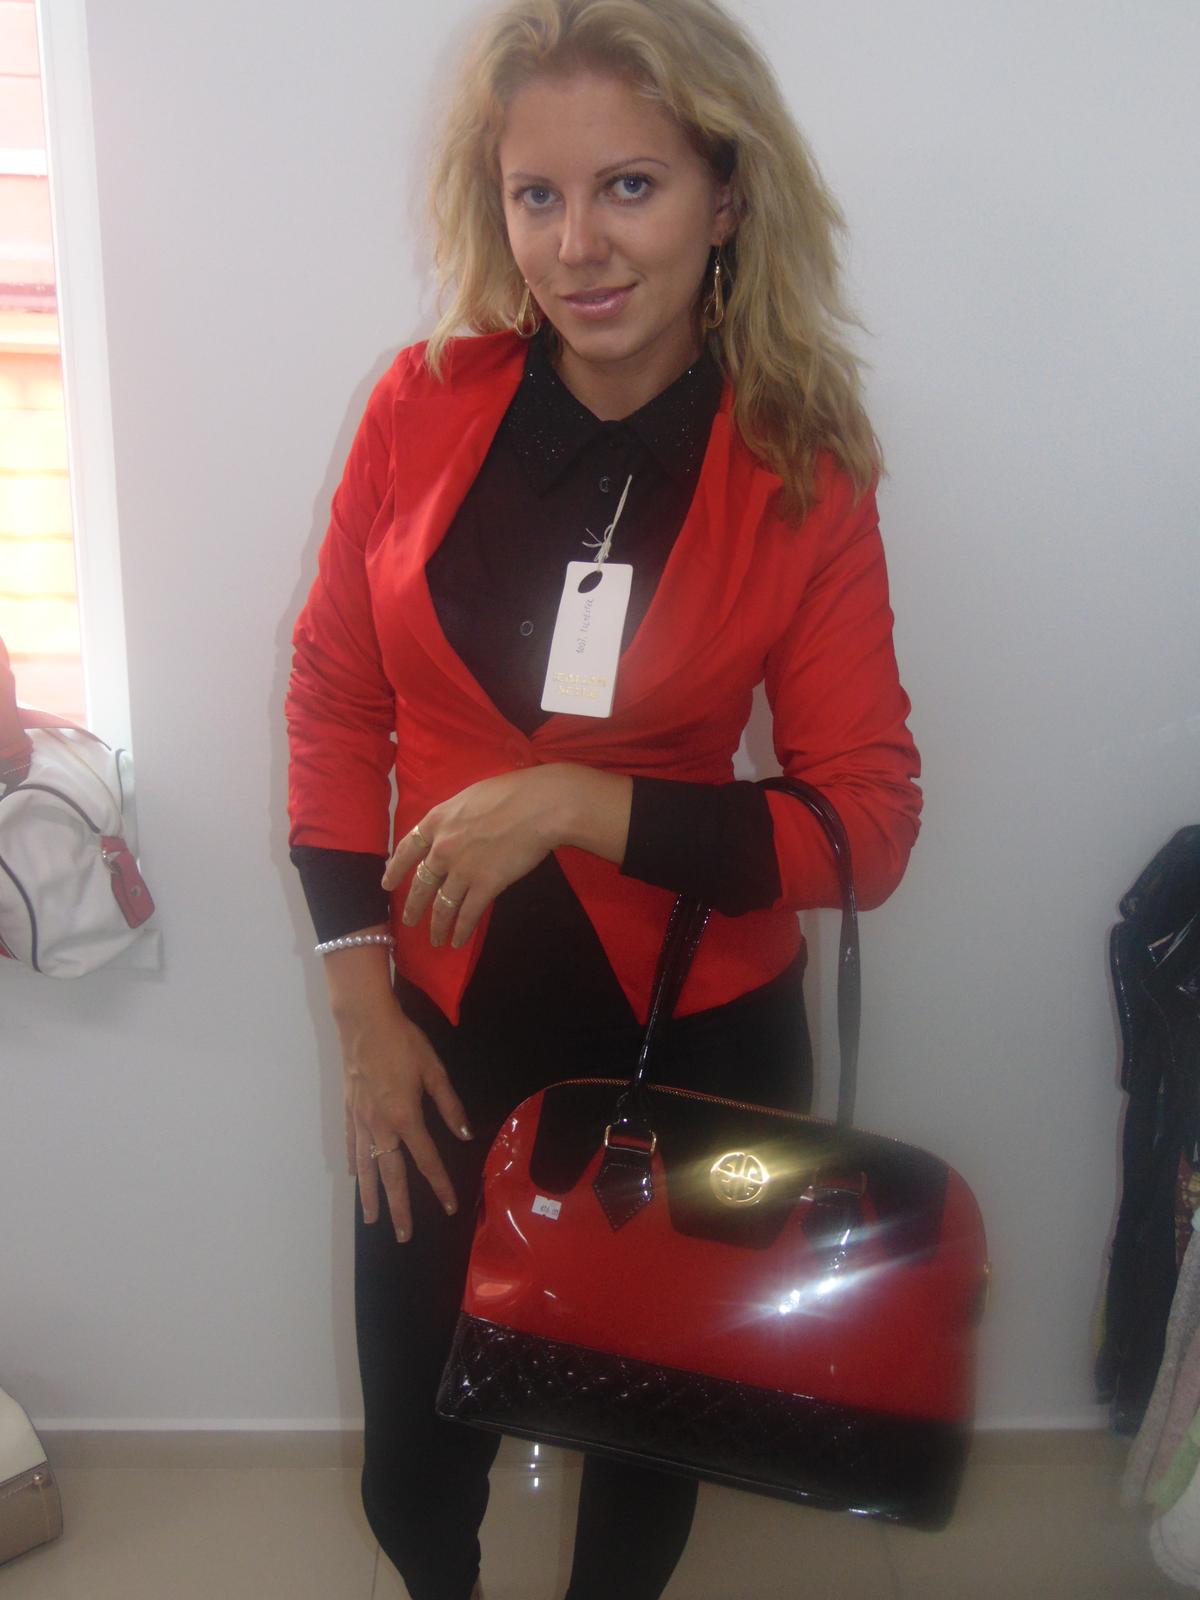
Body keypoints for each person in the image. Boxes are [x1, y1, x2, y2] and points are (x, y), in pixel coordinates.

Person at [285, 1, 921, 1595]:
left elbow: (866, 826)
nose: (579, 244)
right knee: (415, 1458)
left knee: (645, 1454)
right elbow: (335, 702)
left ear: (728, 196)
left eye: (631, 185)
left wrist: (576, 801)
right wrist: (359, 1003)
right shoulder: (420, 402)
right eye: (538, 194)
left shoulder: (802, 465)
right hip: (441, 1026)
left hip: (694, 1041)